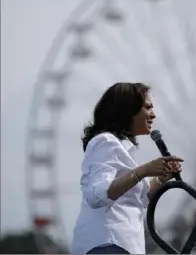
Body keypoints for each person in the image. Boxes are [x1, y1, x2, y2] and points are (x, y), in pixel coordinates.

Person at [70, 82, 184, 254]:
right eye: (148, 107)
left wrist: (161, 178)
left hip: (122, 245)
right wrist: (144, 170)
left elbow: (138, 199)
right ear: (128, 110)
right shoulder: (105, 142)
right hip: (108, 244)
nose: (153, 115)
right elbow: (97, 194)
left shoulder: (122, 149)